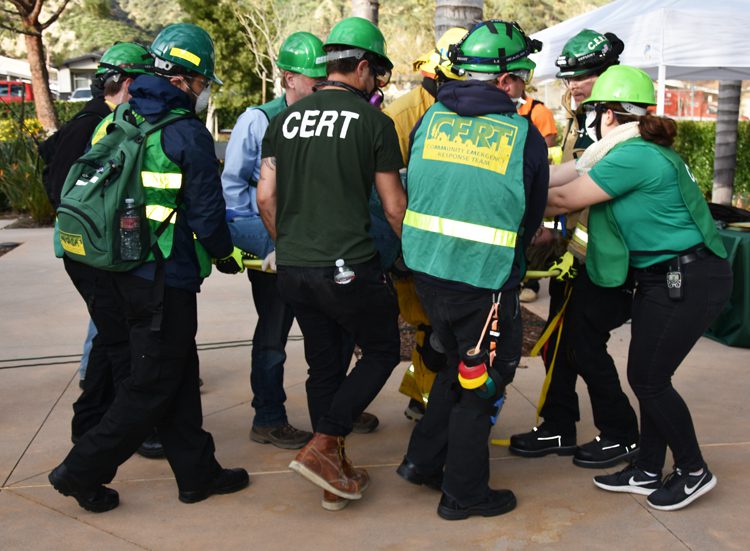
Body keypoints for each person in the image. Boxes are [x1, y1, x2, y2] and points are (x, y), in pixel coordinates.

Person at [48, 23, 249, 513]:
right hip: (163, 278)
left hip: (118, 269)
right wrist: (225, 255)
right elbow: (206, 213)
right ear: (181, 79)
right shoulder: (186, 133)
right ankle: (80, 471)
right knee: (149, 386)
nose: (202, 92)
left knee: (178, 370)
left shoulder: (122, 114)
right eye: (201, 82)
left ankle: (197, 474)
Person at [546, 65, 732, 511]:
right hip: (663, 277)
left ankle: (692, 470)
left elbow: (564, 198)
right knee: (649, 377)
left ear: (608, 115)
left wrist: (496, 196)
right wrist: (511, 174)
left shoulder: (634, 156)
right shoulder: (623, 151)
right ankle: (648, 467)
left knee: (648, 379)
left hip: (686, 276)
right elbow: (562, 175)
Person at [396, 20, 548, 520]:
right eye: (521, 78)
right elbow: (528, 219)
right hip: (483, 280)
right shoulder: (522, 134)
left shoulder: (432, 118)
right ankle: (464, 494)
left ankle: (421, 461)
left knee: (454, 368)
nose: (524, 88)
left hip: (430, 274)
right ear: (504, 81)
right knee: (482, 384)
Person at [257, 16, 406, 511]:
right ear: (361, 67)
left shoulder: (282, 120)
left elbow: (265, 198)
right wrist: (418, 256)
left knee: (324, 363)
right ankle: (324, 444)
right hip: (349, 268)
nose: (378, 84)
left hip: (294, 270)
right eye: (378, 74)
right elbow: (392, 207)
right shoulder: (374, 123)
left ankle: (333, 475)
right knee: (382, 349)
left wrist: (293, 245)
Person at [509, 29, 641, 470]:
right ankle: (559, 424)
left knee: (582, 344)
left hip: (608, 261)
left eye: (581, 77)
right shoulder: (587, 117)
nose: (573, 87)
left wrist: (522, 201)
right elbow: (571, 172)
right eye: (568, 79)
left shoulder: (614, 123)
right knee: (559, 345)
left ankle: (621, 433)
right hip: (580, 256)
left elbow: (577, 188)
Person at [44, 42, 164, 458]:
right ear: (129, 82)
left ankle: (90, 421)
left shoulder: (87, 121)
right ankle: (127, 430)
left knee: (109, 340)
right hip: (91, 254)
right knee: (121, 344)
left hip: (84, 249)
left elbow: (53, 172)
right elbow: (67, 191)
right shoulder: (98, 125)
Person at [221, 32, 326, 450]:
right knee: (275, 327)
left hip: (302, 234)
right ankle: (267, 417)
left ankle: (335, 412)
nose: (321, 87)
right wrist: (271, 240)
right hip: (258, 227)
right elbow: (233, 193)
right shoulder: (258, 119)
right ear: (288, 79)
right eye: (313, 80)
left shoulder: (320, 115)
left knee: (329, 327)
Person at [382, 27, 466, 422]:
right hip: (412, 245)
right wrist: (401, 251)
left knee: (438, 329)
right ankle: (428, 403)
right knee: (426, 326)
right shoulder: (401, 117)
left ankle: (424, 397)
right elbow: (385, 193)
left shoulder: (465, 112)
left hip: (450, 247)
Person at [512, 79, 558, 303]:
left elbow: (546, 150)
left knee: (537, 234)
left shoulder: (538, 111)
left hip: (536, 180)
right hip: (511, 182)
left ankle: (530, 282)